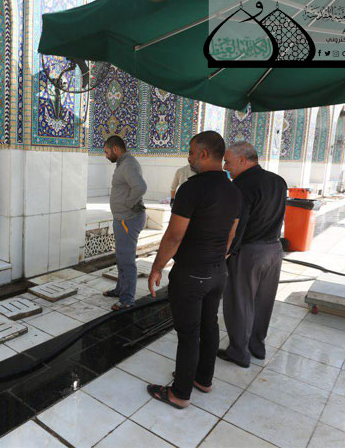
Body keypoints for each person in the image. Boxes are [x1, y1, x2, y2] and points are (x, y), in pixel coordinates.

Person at [146, 131, 242, 409]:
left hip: (191, 273)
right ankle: (203, 379)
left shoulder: (191, 189)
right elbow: (231, 235)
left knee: (189, 334)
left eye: (190, 152)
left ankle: (180, 394)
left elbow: (174, 236)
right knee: (209, 325)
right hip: (218, 272)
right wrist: (216, 259)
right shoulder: (234, 191)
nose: (188, 158)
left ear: (203, 154)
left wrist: (157, 267)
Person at [218, 141, 287, 368]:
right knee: (263, 302)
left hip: (250, 252)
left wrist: (227, 252)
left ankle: (239, 352)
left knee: (239, 302)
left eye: (228, 161)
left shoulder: (241, 185)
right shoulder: (278, 181)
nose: (225, 167)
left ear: (242, 159)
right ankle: (257, 347)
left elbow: (237, 224)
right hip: (274, 250)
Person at [102, 135, 147, 311]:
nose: (106, 156)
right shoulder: (123, 163)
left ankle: (127, 299)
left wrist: (127, 203)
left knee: (127, 260)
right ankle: (120, 290)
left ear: (115, 149)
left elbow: (140, 187)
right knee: (121, 257)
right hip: (123, 219)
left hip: (128, 219)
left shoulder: (128, 164)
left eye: (107, 152)